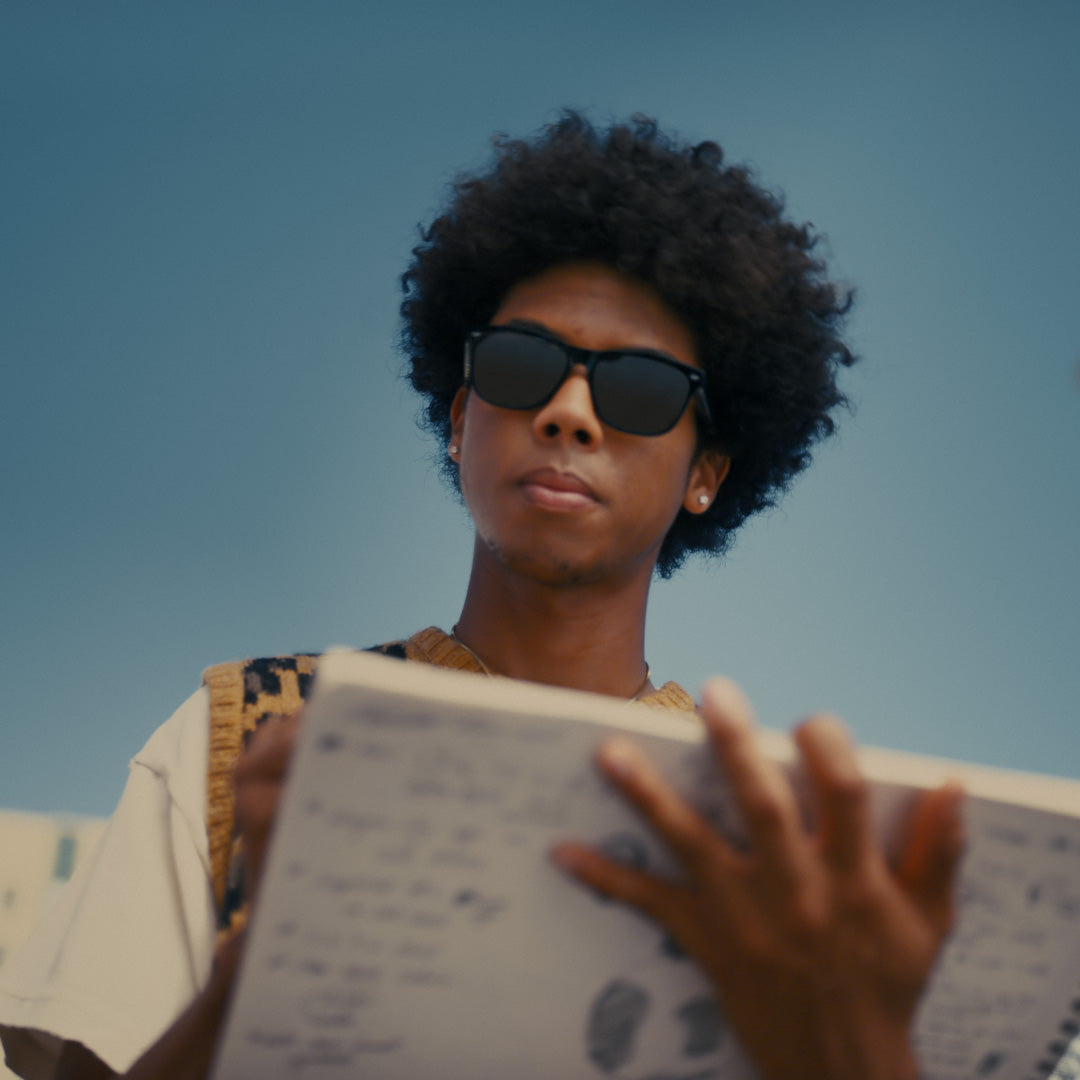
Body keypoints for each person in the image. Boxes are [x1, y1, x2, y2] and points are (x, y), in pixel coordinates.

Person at [0, 112, 964, 1080]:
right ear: (461, 419)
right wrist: (273, 959)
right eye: (520, 365)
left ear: (707, 472)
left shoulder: (783, 856)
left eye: (638, 390)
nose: (568, 411)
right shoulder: (248, 736)